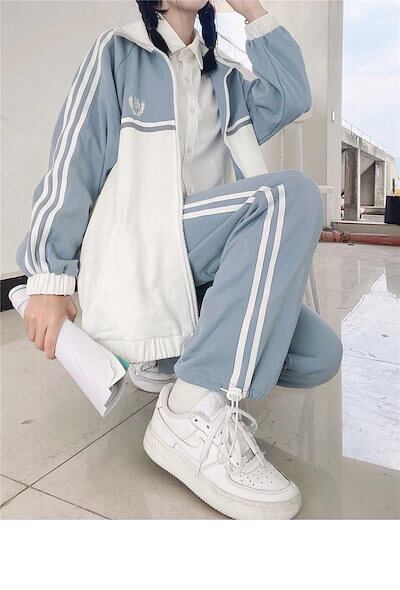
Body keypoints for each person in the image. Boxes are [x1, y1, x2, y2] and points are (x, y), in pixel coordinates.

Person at [16, 0, 343, 519]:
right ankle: (189, 409)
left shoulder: (225, 76)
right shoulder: (121, 52)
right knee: (290, 194)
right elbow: (72, 163)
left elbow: (292, 95)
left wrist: (249, 7)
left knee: (318, 356)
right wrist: (49, 278)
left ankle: (173, 356)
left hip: (204, 256)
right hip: (141, 244)